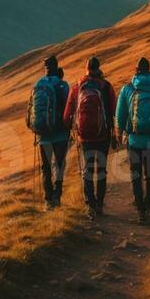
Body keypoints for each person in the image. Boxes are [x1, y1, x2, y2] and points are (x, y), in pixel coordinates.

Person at [116, 57, 150, 223]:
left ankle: (140, 210)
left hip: (134, 140)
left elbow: (121, 114)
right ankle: (148, 203)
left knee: (135, 174)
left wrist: (119, 134)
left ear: (136, 70)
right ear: (149, 70)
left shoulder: (127, 89)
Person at [64, 56, 117, 220]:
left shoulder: (77, 87)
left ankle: (90, 205)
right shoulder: (106, 86)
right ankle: (100, 204)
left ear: (86, 68)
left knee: (87, 170)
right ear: (99, 68)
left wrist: (71, 128)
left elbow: (67, 115)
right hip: (102, 135)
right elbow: (113, 111)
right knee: (101, 169)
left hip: (84, 136)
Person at [28, 55, 70, 210]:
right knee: (58, 165)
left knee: (45, 167)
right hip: (60, 134)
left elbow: (31, 109)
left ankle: (47, 200)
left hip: (43, 135)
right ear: (56, 66)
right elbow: (68, 108)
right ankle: (57, 195)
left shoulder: (38, 85)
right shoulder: (62, 85)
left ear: (45, 68)